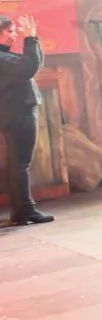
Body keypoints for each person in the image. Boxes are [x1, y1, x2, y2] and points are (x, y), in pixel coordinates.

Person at [0, 14, 51, 225]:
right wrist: (30, 39)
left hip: (15, 112)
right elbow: (29, 68)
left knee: (18, 163)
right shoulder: (3, 58)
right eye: (10, 31)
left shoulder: (6, 57)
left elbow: (33, 66)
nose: (14, 35)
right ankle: (25, 210)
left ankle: (21, 210)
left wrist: (34, 40)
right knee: (21, 164)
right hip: (18, 112)